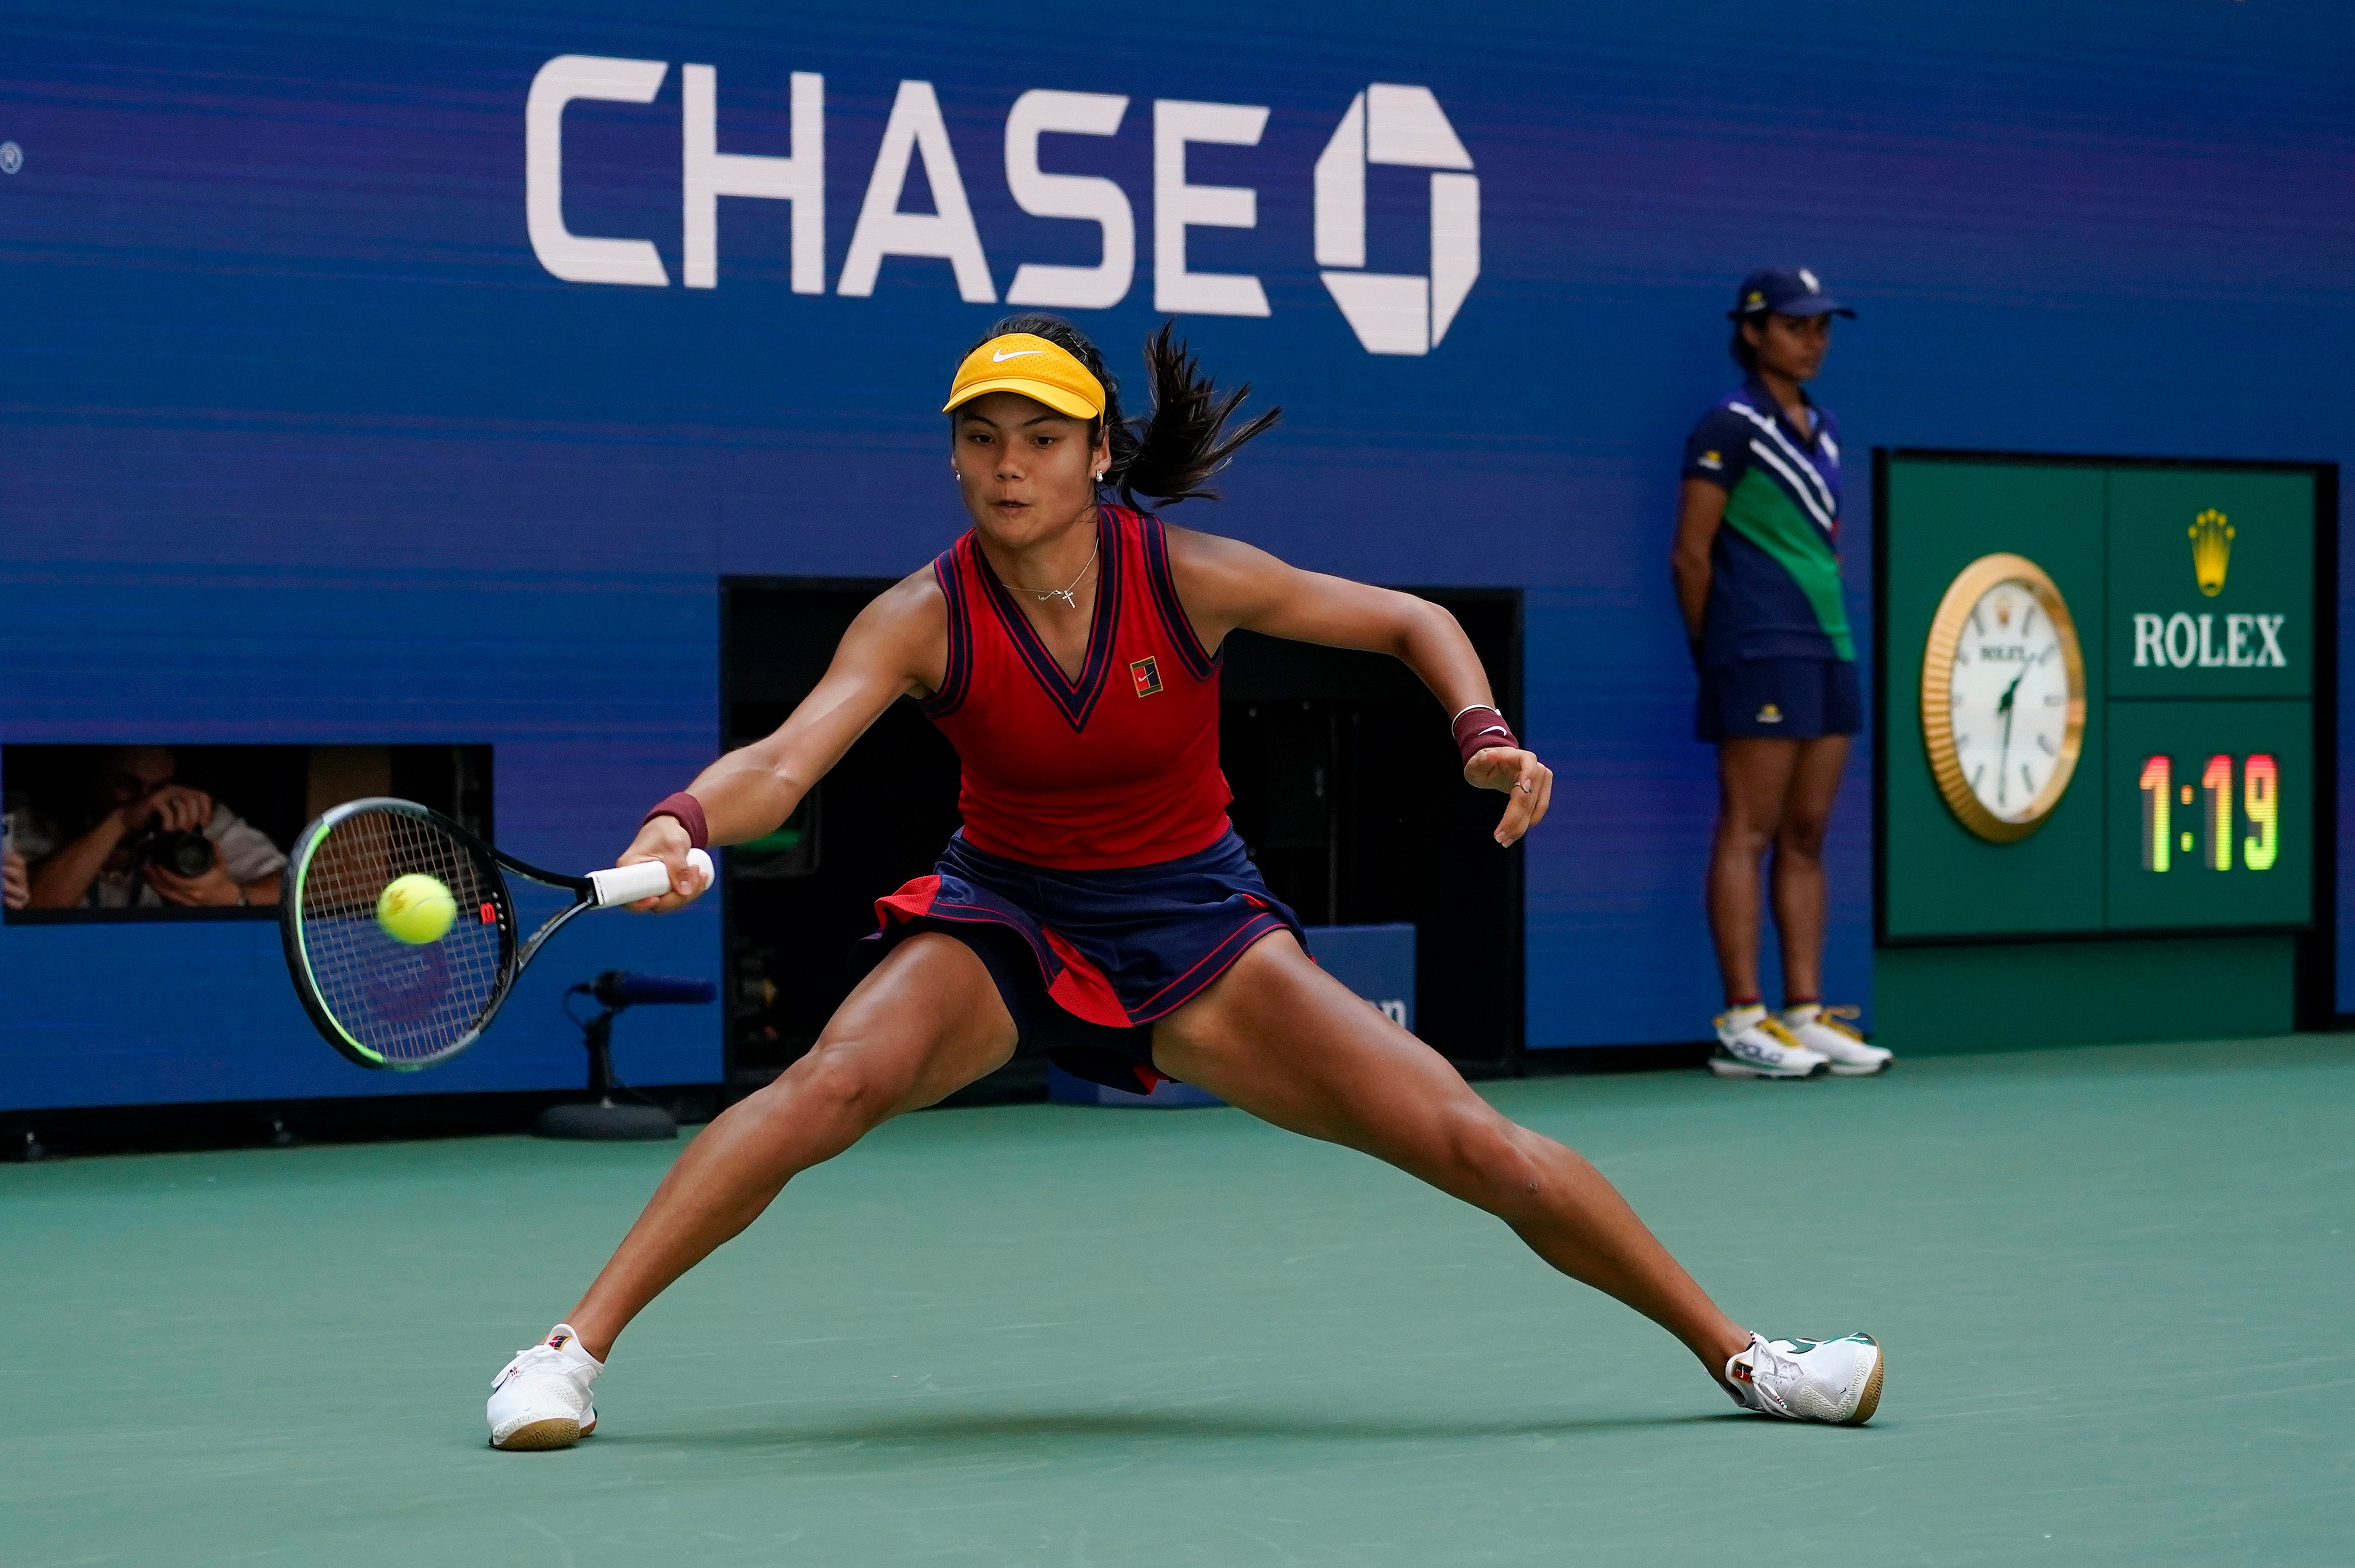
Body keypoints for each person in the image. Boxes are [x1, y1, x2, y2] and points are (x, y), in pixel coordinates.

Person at [485, 316, 1884, 1450]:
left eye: (1040, 436)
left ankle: (1751, 1356)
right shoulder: (917, 616)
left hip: (1196, 927)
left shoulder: (1189, 575)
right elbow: (785, 765)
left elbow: (1413, 620)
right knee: (823, 1088)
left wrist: (1482, 732)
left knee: (1471, 1141)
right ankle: (565, 1352)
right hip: (1006, 918)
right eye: (980, 438)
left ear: (1099, 452)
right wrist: (678, 819)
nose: (1006, 462)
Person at [1670, 269, 1891, 1079]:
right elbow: (1690, 553)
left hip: (1827, 646)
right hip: (1756, 647)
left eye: (1822, 327)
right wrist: (1717, 648)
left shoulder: (1824, 427)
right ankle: (1742, 1018)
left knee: (1806, 833)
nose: (1813, 340)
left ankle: (1802, 1011)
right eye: (1797, 326)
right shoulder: (1726, 426)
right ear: (1754, 331)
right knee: (1749, 829)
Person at [19, 746, 285, 910]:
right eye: (126, 784)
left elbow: (303, 883)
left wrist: (233, 897)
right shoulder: (36, 819)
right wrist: (121, 822)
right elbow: (29, 909)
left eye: (159, 788)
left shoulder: (193, 815)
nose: (149, 802)